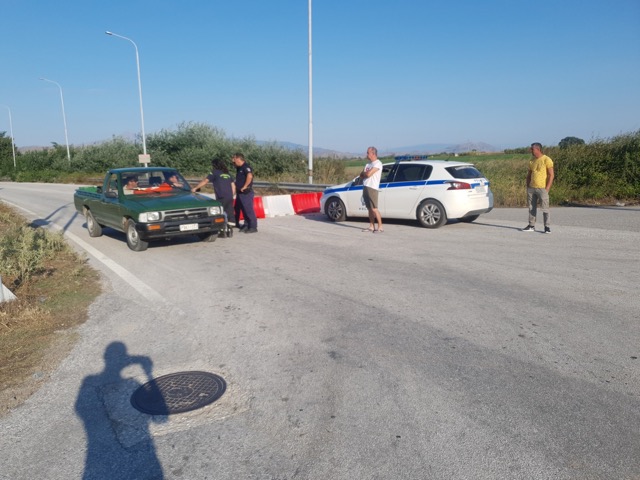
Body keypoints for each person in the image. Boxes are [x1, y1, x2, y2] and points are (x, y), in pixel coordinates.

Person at [191, 158, 237, 226]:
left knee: (219, 211)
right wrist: (232, 195)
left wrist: (195, 188)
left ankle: (221, 225)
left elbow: (205, 181)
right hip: (229, 195)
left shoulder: (214, 172)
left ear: (214, 165)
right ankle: (231, 223)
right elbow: (233, 185)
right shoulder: (227, 173)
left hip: (221, 195)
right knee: (230, 211)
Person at [523, 142, 554, 233]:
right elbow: (529, 175)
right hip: (532, 188)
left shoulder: (546, 159)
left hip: (542, 188)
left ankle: (547, 227)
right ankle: (531, 225)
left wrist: (547, 188)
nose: (531, 151)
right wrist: (528, 186)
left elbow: (551, 175)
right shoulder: (532, 161)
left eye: (532, 149)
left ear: (538, 149)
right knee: (531, 207)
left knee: (545, 208)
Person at [359, 146, 384, 232]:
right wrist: (365, 173)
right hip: (366, 186)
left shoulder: (378, 163)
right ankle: (371, 226)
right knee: (369, 208)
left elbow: (368, 174)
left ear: (373, 153)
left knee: (374, 208)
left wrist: (365, 173)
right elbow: (361, 175)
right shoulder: (368, 164)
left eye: (368, 152)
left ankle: (380, 227)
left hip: (372, 188)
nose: (367, 154)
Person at [232, 153, 258, 233]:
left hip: (246, 192)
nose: (233, 161)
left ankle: (253, 227)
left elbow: (249, 176)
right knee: (243, 210)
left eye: (233, 159)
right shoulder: (239, 168)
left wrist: (245, 186)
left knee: (248, 210)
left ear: (238, 158)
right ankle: (246, 225)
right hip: (240, 193)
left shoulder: (246, 167)